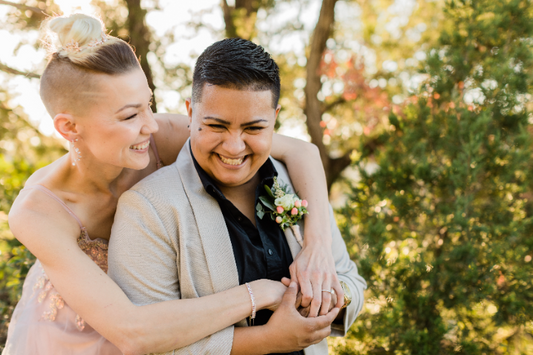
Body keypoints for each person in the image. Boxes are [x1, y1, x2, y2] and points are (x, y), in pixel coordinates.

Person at [3, 13, 343, 355]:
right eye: (129, 115)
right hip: (80, 338)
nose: (150, 124)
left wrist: (317, 246)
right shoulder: (37, 212)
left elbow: (302, 151)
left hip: (169, 321)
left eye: (148, 104)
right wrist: (261, 294)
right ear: (69, 128)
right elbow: (132, 333)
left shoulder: (159, 137)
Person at [108, 38, 366, 355]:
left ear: (275, 118)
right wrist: (269, 340)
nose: (234, 147)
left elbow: (352, 283)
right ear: (191, 113)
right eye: (216, 126)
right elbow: (148, 342)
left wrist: (326, 300)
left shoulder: (297, 181)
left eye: (254, 128)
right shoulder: (147, 208)